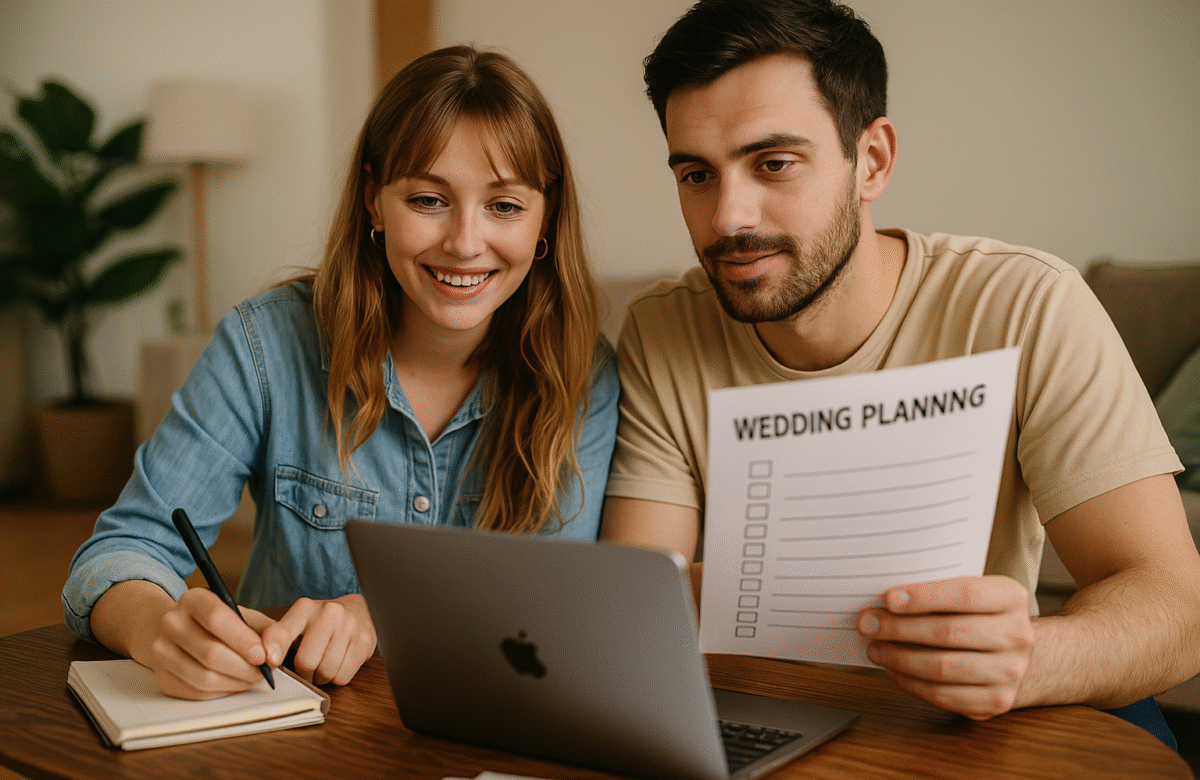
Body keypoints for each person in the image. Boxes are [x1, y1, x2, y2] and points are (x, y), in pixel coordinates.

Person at [601, 0, 1200, 728]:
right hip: (772, 715)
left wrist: (1028, 658)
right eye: (697, 175)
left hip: (968, 723)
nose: (730, 218)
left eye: (774, 163)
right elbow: (638, 606)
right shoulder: (662, 328)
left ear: (872, 161)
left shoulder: (1026, 303)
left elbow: (1175, 606)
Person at [63, 45, 619, 700]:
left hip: (493, 730)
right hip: (293, 735)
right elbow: (119, 552)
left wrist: (382, 614)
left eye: (504, 206)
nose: (466, 243)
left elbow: (560, 602)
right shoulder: (266, 343)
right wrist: (158, 628)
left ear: (544, 217)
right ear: (374, 203)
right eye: (428, 199)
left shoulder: (582, 374)